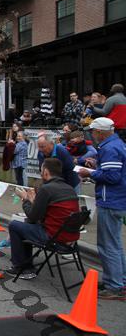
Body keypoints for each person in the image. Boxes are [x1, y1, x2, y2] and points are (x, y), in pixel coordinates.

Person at [6, 158, 80, 279]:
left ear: (45, 172)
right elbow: (51, 212)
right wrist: (33, 202)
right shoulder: (69, 188)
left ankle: (22, 267)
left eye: (41, 170)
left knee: (15, 225)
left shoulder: (46, 189)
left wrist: (26, 199)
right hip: (71, 239)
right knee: (26, 226)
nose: (40, 173)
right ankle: (26, 264)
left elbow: (33, 217)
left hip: (54, 238)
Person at [77, 118, 126, 300]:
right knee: (115, 244)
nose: (91, 134)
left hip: (110, 200)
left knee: (107, 245)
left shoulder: (110, 148)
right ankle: (119, 280)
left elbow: (112, 177)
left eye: (93, 131)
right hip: (116, 199)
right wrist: (97, 167)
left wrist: (89, 173)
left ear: (100, 132)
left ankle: (114, 286)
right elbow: (113, 173)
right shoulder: (117, 144)